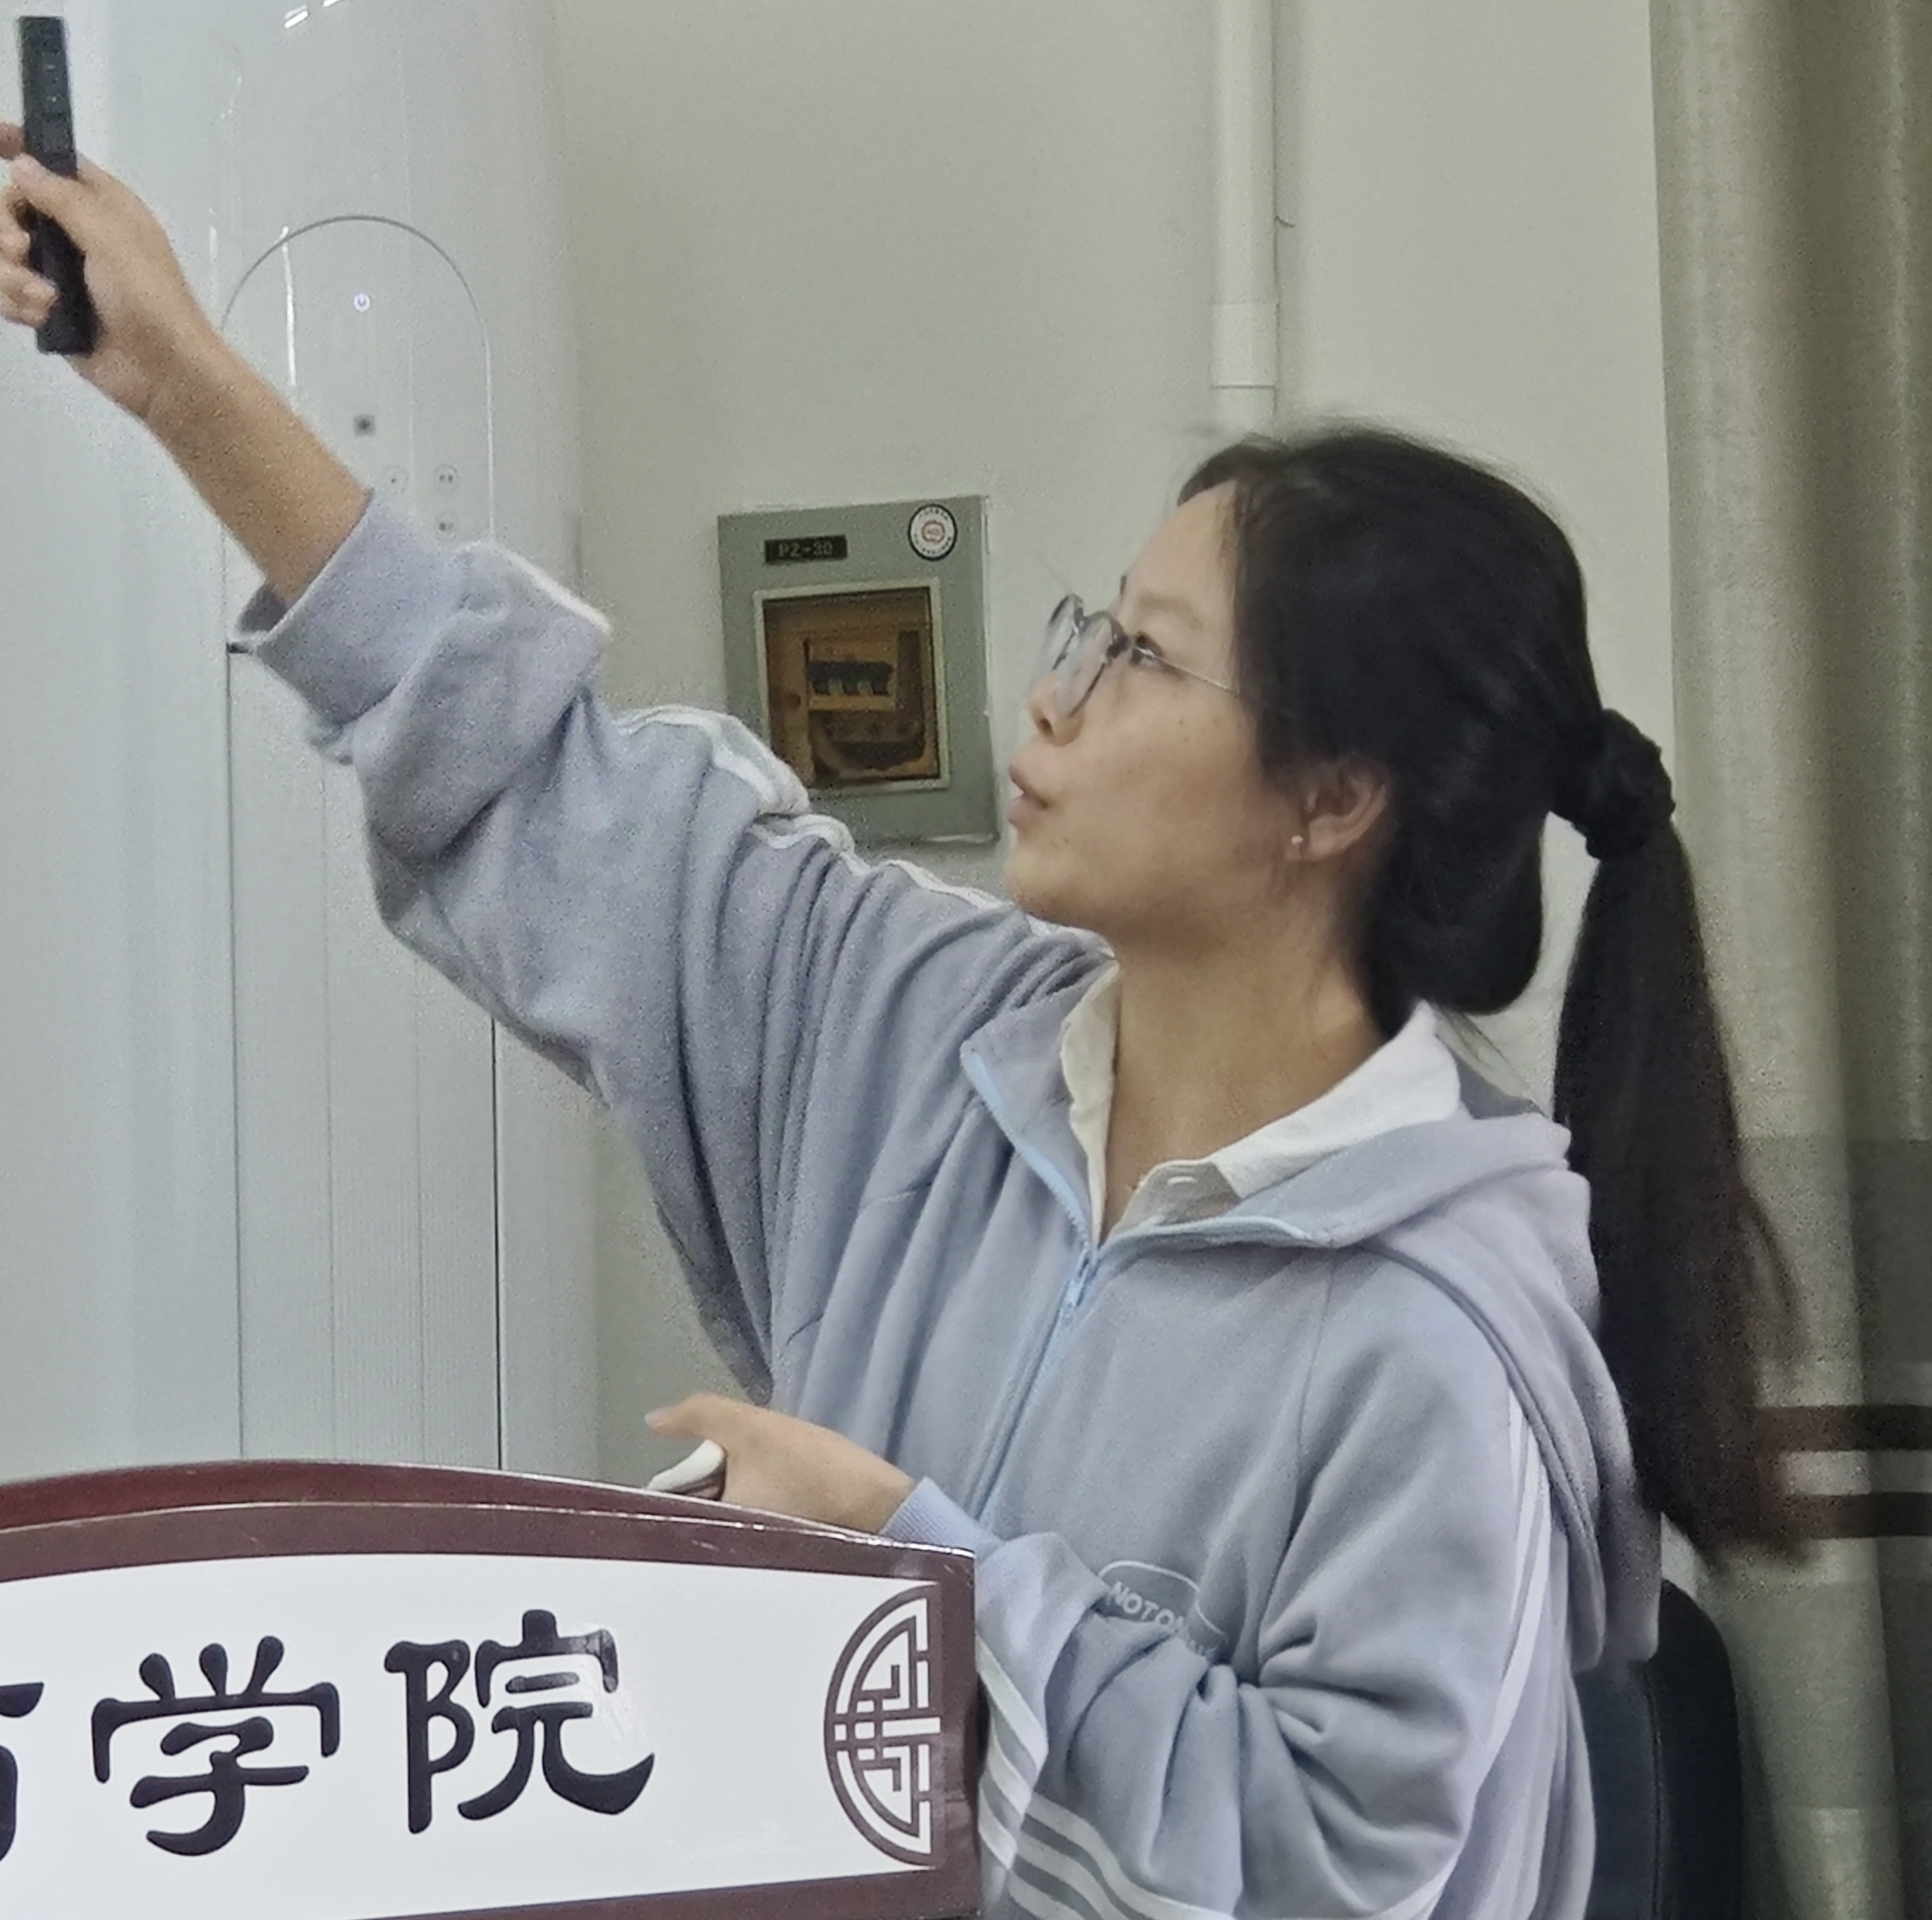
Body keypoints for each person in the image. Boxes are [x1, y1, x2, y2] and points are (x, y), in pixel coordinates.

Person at [1, 131, 1804, 1920]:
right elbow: (536, 778)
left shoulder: (1433, 1343)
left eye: (1142, 656)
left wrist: (897, 1565)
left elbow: (1342, 1877)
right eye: (1092, 627)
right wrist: (182, 380)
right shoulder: (912, 1025)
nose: (1056, 695)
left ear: (1332, 799)